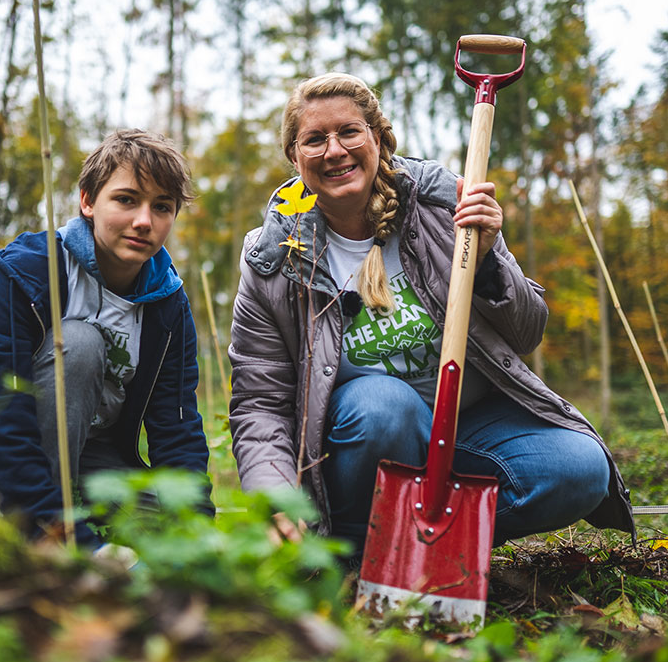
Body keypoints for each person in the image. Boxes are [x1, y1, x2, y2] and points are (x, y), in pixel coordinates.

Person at [228, 73, 634, 556]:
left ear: (377, 138)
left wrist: (488, 261)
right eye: (314, 139)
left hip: (467, 429)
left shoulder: (445, 209)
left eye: (349, 132)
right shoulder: (275, 258)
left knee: (580, 469)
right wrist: (277, 499)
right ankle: (352, 550)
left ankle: (425, 546)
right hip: (357, 450)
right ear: (295, 158)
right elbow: (260, 403)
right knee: (384, 406)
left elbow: (526, 333)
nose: (334, 150)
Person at [0, 129, 212, 549]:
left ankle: (71, 516)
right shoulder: (28, 272)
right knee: (78, 344)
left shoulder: (168, 305)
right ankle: (28, 531)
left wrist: (198, 533)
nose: (144, 221)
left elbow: (176, 426)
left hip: (92, 459)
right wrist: (69, 540)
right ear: (87, 201)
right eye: (126, 199)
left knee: (167, 523)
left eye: (162, 207)